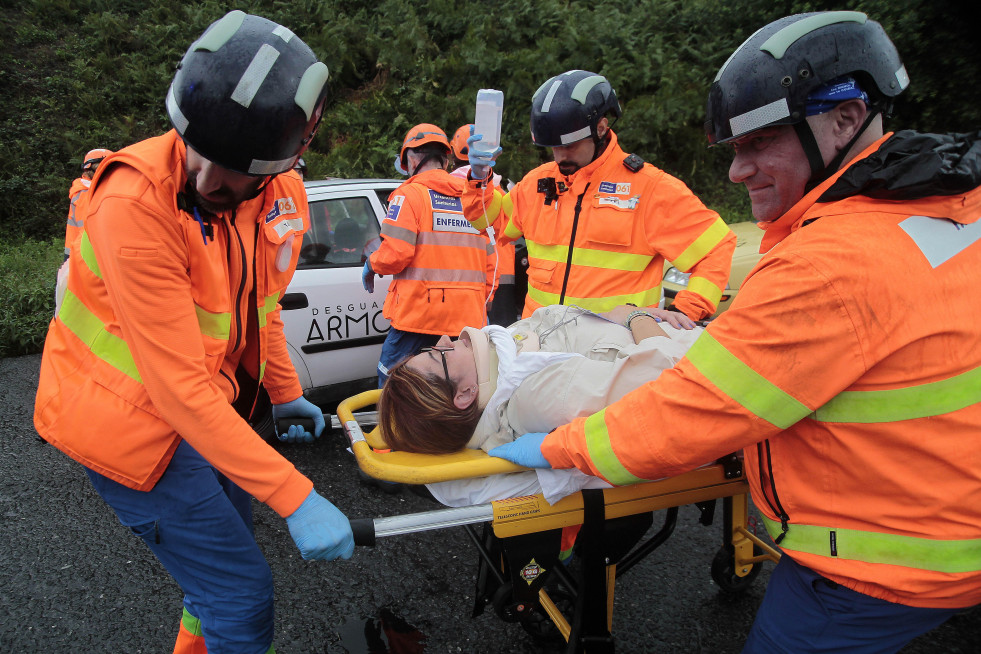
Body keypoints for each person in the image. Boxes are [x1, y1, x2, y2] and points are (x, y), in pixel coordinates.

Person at [491, 11, 981, 653]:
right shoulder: (947, 206)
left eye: (759, 143)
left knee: (593, 533)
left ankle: (546, 592)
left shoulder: (810, 257)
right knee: (553, 532)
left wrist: (685, 314)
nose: (736, 171)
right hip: (939, 522)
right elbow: (502, 224)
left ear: (845, 118)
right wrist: (475, 186)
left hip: (873, 561)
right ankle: (533, 583)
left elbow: (697, 404)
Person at [34, 11, 354, 653]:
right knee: (240, 593)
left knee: (211, 589)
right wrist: (296, 495)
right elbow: (178, 388)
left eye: (236, 169)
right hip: (131, 427)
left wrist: (285, 391)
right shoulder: (134, 203)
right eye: (197, 151)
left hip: (206, 412)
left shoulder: (277, 193)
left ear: (290, 156)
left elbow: (259, 307)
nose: (208, 183)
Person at [465, 69, 736, 321]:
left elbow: (715, 249)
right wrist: (479, 178)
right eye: (552, 147)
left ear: (602, 128)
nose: (559, 156)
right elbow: (491, 222)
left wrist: (684, 313)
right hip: (540, 349)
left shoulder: (650, 188)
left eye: (569, 145)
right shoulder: (538, 182)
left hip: (611, 355)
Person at [378, 304, 700, 507]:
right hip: (706, 356)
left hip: (669, 330)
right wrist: (635, 315)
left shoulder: (500, 359)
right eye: (439, 355)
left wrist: (613, 314)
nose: (445, 341)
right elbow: (670, 378)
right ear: (464, 394)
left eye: (432, 347)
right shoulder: (538, 393)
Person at [362, 123, 497, 386]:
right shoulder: (472, 198)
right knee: (457, 387)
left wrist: (371, 263)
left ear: (412, 159)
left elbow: (395, 255)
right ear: (445, 160)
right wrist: (483, 303)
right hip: (467, 318)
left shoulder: (409, 195)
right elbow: (491, 259)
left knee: (394, 383)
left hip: (418, 317)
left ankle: (394, 428)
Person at [449, 123, 518, 326]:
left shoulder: (448, 192)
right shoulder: (500, 192)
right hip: (503, 279)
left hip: (468, 281)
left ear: (452, 156)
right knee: (500, 347)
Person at [64, 148, 112, 259]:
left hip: (81, 254)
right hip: (86, 256)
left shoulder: (89, 191)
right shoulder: (86, 193)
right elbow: (91, 231)